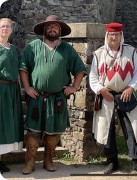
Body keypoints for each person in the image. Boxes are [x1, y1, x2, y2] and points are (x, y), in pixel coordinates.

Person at [19, 15, 86, 175]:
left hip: (57, 100)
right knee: (33, 133)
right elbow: (23, 69)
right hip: (37, 98)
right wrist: (27, 87)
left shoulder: (67, 49)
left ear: (60, 30)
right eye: (49, 26)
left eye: (55, 26)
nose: (52, 28)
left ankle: (49, 160)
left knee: (53, 133)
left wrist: (74, 87)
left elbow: (80, 70)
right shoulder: (33, 46)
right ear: (44, 29)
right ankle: (30, 163)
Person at [89, 22, 137, 174]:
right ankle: (112, 161)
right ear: (107, 36)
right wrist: (101, 90)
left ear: (121, 36)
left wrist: (131, 88)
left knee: (133, 128)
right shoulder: (99, 54)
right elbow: (93, 76)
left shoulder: (131, 52)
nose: (113, 37)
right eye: (111, 34)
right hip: (107, 95)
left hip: (126, 95)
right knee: (106, 130)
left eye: (116, 34)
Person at [0, 18, 24, 177]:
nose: (5, 29)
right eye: (2, 26)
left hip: (12, 89)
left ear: (12, 29)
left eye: (8, 26)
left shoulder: (14, 49)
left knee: (7, 123)